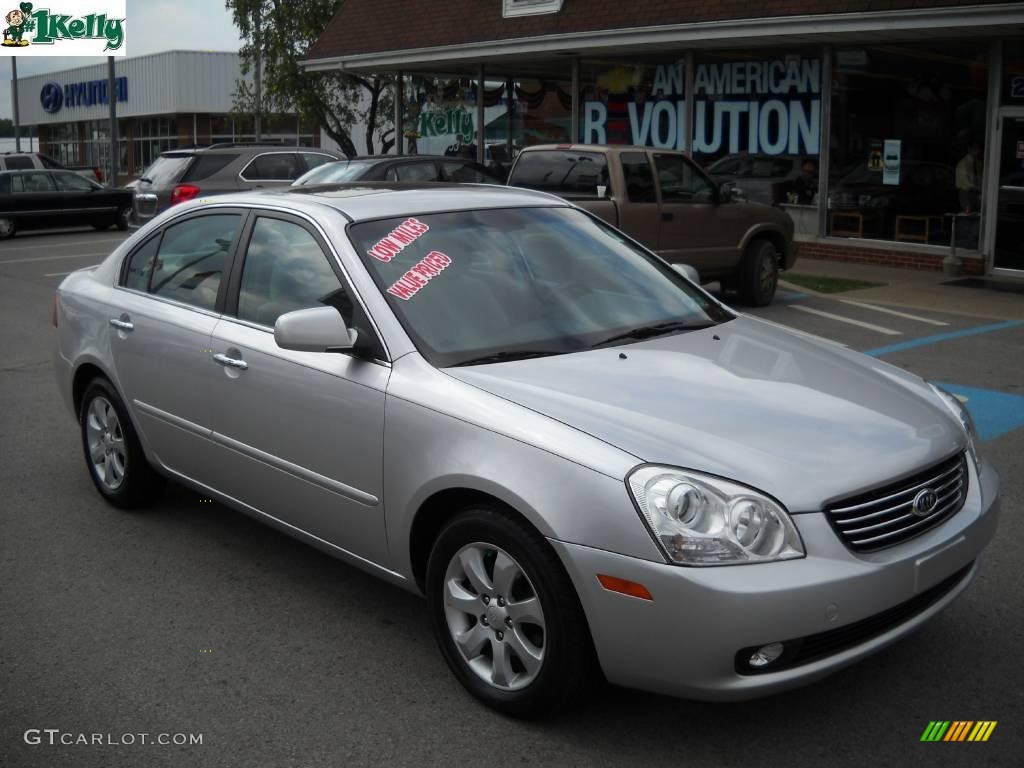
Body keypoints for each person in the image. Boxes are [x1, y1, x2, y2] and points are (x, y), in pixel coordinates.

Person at [956, 141, 982, 213]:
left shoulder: (978, 164)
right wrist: (977, 187)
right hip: (966, 193)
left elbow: (980, 178)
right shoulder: (963, 164)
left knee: (977, 214)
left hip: (977, 193)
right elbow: (965, 182)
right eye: (975, 148)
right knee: (968, 214)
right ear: (969, 149)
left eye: (978, 149)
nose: (977, 151)